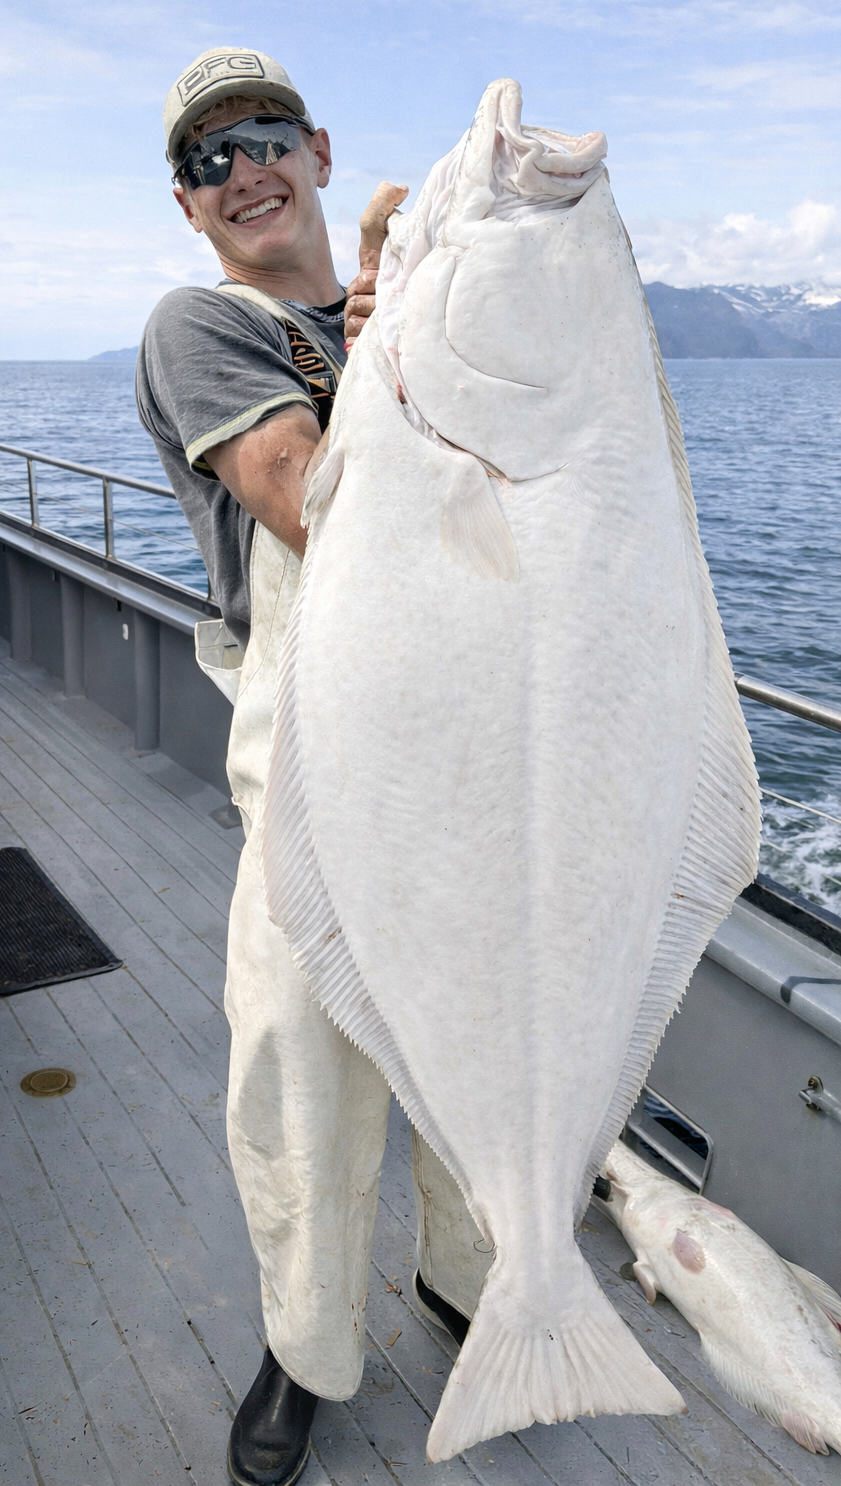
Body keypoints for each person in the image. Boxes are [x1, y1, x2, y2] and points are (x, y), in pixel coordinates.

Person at [136, 47, 489, 1486]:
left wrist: (420, 302)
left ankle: (478, 1278)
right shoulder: (200, 327)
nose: (246, 171)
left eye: (268, 135)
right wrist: (372, 310)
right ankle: (305, 1343)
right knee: (303, 1061)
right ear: (189, 205)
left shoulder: (429, 312)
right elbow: (309, 507)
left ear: (322, 146)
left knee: (476, 1058)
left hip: (470, 741)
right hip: (315, 757)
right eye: (212, 160)